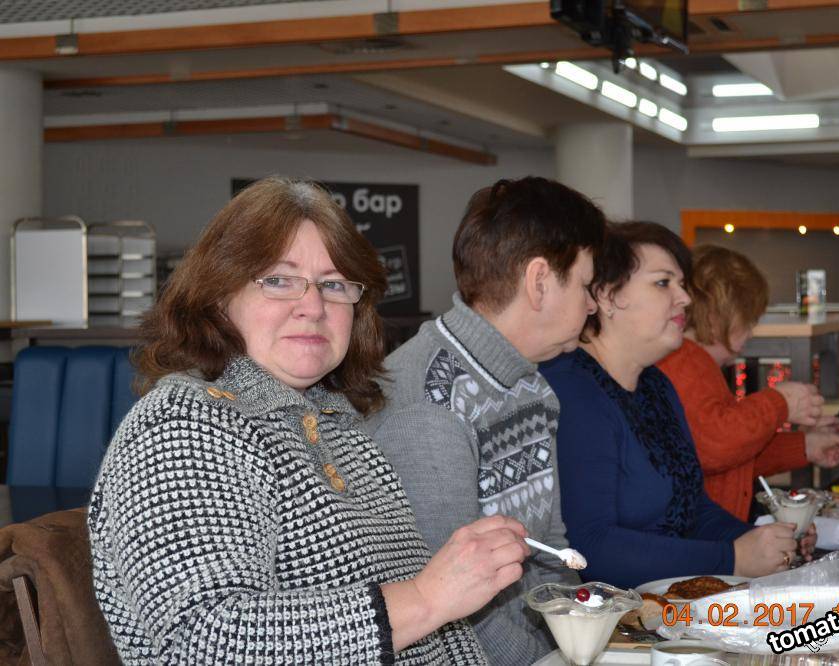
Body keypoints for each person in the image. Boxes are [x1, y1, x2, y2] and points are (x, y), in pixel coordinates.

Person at [88, 177, 529, 664]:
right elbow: (204, 642)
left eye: (334, 285)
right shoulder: (182, 427)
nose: (314, 307)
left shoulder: (338, 426)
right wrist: (426, 598)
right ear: (218, 297)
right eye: (279, 280)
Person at [365, 176, 605, 666]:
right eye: (585, 285)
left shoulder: (531, 383)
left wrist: (584, 638)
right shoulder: (428, 409)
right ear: (539, 282)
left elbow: (551, 552)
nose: (593, 304)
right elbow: (459, 614)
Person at [539, 222, 814, 590]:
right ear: (605, 295)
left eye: (682, 284)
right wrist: (732, 557)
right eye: (663, 283)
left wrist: (763, 543)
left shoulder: (655, 385)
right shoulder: (572, 389)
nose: (684, 298)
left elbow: (692, 509)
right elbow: (591, 548)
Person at [657, 245, 839, 520]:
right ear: (718, 316)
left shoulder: (695, 363)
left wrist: (806, 446)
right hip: (701, 532)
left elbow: (733, 457)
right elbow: (717, 445)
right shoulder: (685, 362)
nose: (751, 332)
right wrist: (780, 402)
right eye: (749, 320)